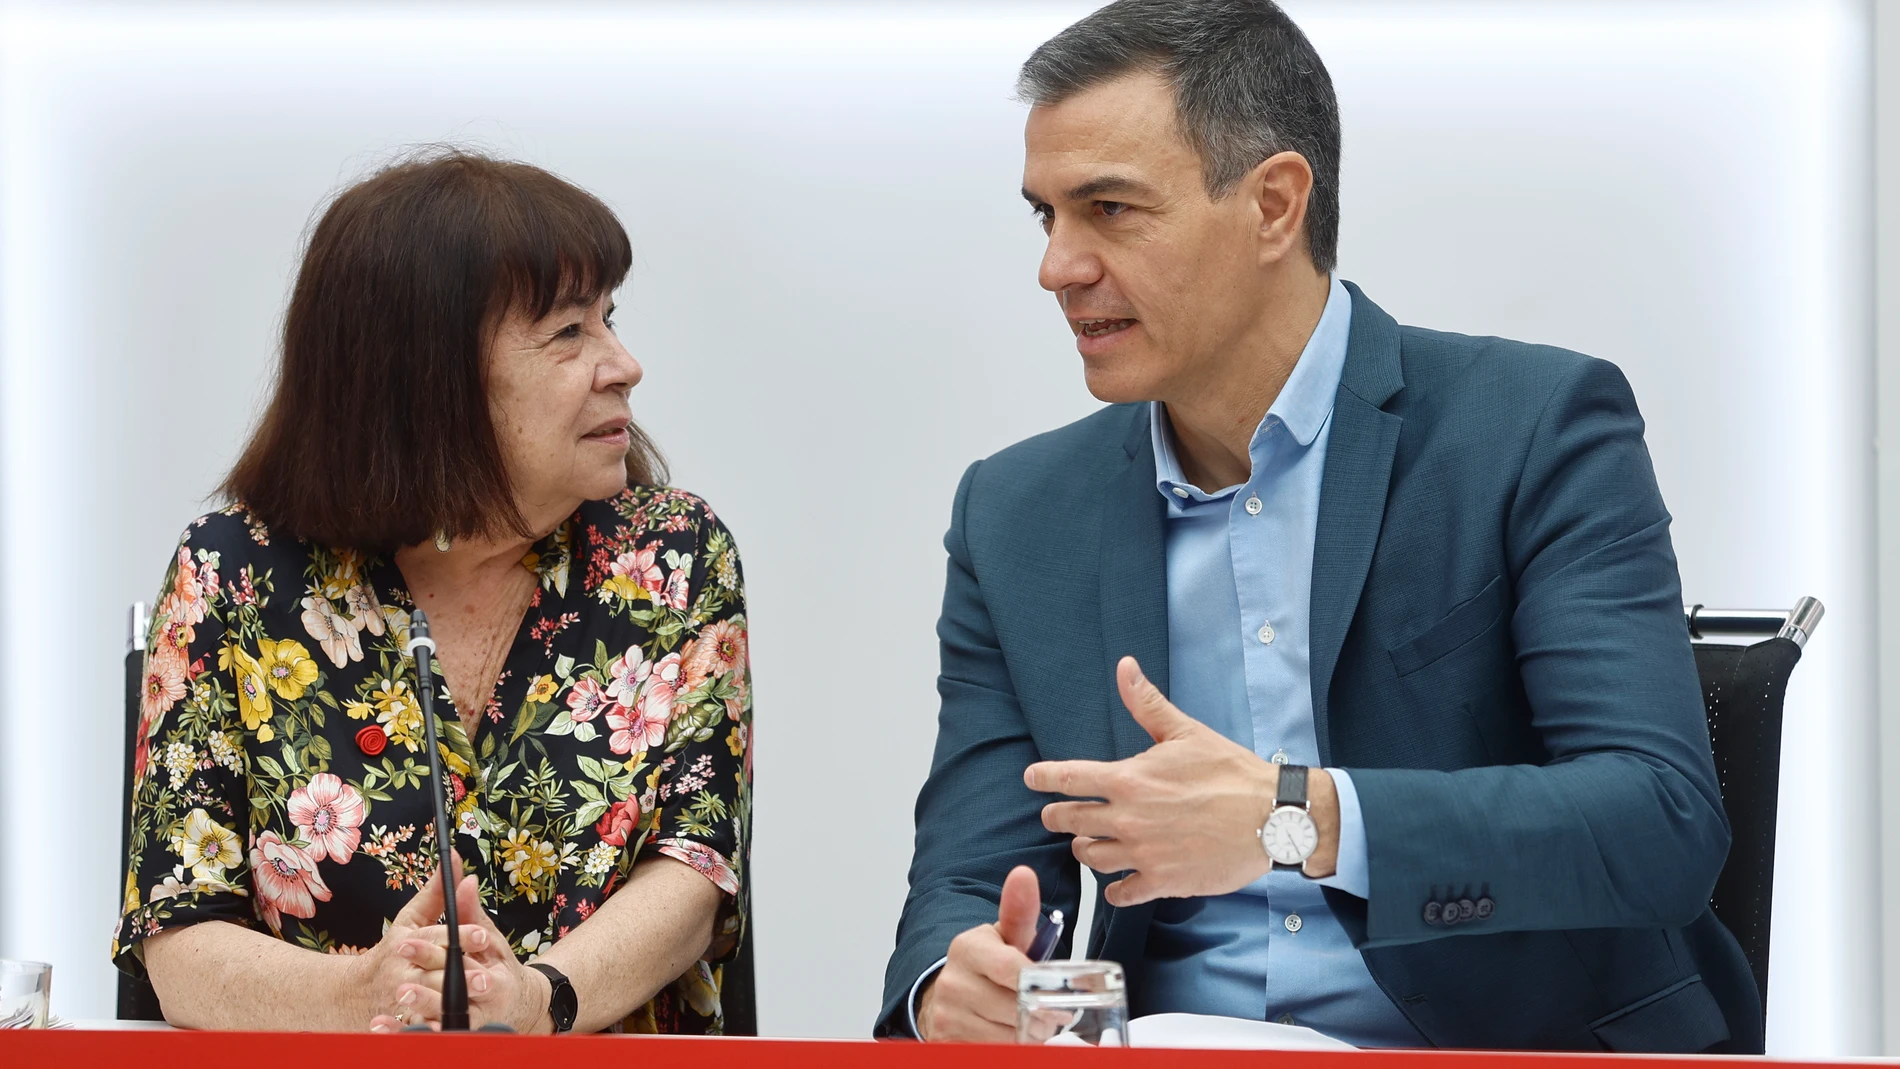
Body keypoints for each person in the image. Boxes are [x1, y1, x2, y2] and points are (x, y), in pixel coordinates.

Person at [879, 0, 1757, 1053]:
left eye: (1108, 209)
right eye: (1045, 216)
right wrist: (951, 981)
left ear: (1274, 204)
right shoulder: (1017, 513)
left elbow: (1655, 819)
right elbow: (969, 876)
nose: (1057, 266)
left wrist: (1293, 818)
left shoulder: (1531, 427)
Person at [114, 150, 753, 1035]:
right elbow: (179, 931)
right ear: (429, 375)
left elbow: (697, 867)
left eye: (608, 319)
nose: (624, 364)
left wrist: (539, 999)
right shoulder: (232, 574)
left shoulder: (672, 556)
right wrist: (364, 996)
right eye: (570, 332)